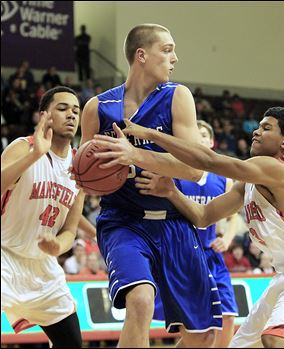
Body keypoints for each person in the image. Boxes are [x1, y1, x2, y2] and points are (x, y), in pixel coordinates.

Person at [93, 106, 284, 348]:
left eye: (266, 128)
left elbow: (208, 160)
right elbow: (203, 216)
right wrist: (171, 191)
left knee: (276, 339)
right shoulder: (248, 185)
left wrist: (151, 136)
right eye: (259, 125)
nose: (256, 131)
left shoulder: (275, 169)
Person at [79, 23, 223, 348]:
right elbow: (87, 179)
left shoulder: (177, 96)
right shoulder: (97, 108)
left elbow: (191, 168)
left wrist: (135, 155)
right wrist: (90, 178)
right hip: (123, 223)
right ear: (141, 55)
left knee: (202, 336)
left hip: (174, 223)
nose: (175, 58)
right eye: (167, 49)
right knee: (140, 301)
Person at [1, 86, 95, 348]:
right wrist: (34, 156)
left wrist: (58, 246)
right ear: (44, 115)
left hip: (42, 267)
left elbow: (69, 230)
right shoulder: (23, 147)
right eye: (63, 108)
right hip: (4, 255)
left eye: (76, 110)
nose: (72, 115)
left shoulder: (79, 168)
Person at [139, 120, 239, 347]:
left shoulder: (223, 180)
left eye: (204, 135)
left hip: (211, 255)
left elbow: (234, 217)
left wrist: (227, 238)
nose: (200, 138)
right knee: (197, 332)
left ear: (211, 142)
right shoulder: (174, 174)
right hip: (182, 254)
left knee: (227, 317)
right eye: (195, 135)